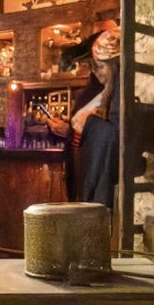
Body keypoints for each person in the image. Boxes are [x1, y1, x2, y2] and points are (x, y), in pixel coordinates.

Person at [48, 24, 120, 210]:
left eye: (100, 66)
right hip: (82, 167)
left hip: (101, 174)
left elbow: (112, 138)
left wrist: (79, 128)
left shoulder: (116, 95)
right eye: (92, 66)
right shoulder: (94, 91)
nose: (95, 71)